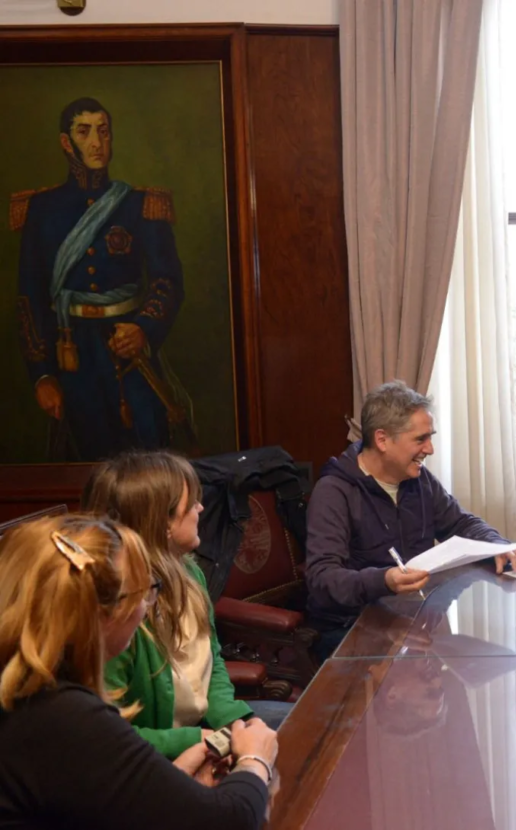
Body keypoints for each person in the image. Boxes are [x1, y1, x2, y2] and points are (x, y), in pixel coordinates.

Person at [0, 514, 278, 829]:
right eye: (143, 592)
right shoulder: (63, 715)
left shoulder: (28, 692)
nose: (146, 607)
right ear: (101, 613)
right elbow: (230, 821)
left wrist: (174, 781)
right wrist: (255, 759)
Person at [11, 96, 190, 461]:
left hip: (130, 351)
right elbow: (29, 298)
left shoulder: (138, 204)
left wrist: (143, 329)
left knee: (149, 453)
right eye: (85, 132)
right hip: (72, 356)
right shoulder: (42, 210)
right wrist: (42, 375)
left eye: (104, 131)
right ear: (66, 143)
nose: (97, 142)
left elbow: (167, 280)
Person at [83, 450, 290, 760]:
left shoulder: (191, 572)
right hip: (157, 755)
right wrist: (200, 740)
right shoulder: (118, 611)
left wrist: (233, 721)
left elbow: (212, 661)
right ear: (162, 523)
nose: (201, 508)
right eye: (191, 502)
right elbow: (108, 739)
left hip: (205, 729)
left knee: (312, 725)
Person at [305, 381, 516, 659]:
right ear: (382, 440)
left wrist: (496, 545)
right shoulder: (334, 491)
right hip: (351, 630)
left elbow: (461, 523)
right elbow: (322, 579)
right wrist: (383, 580)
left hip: (411, 621)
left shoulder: (419, 480)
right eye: (420, 439)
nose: (430, 449)